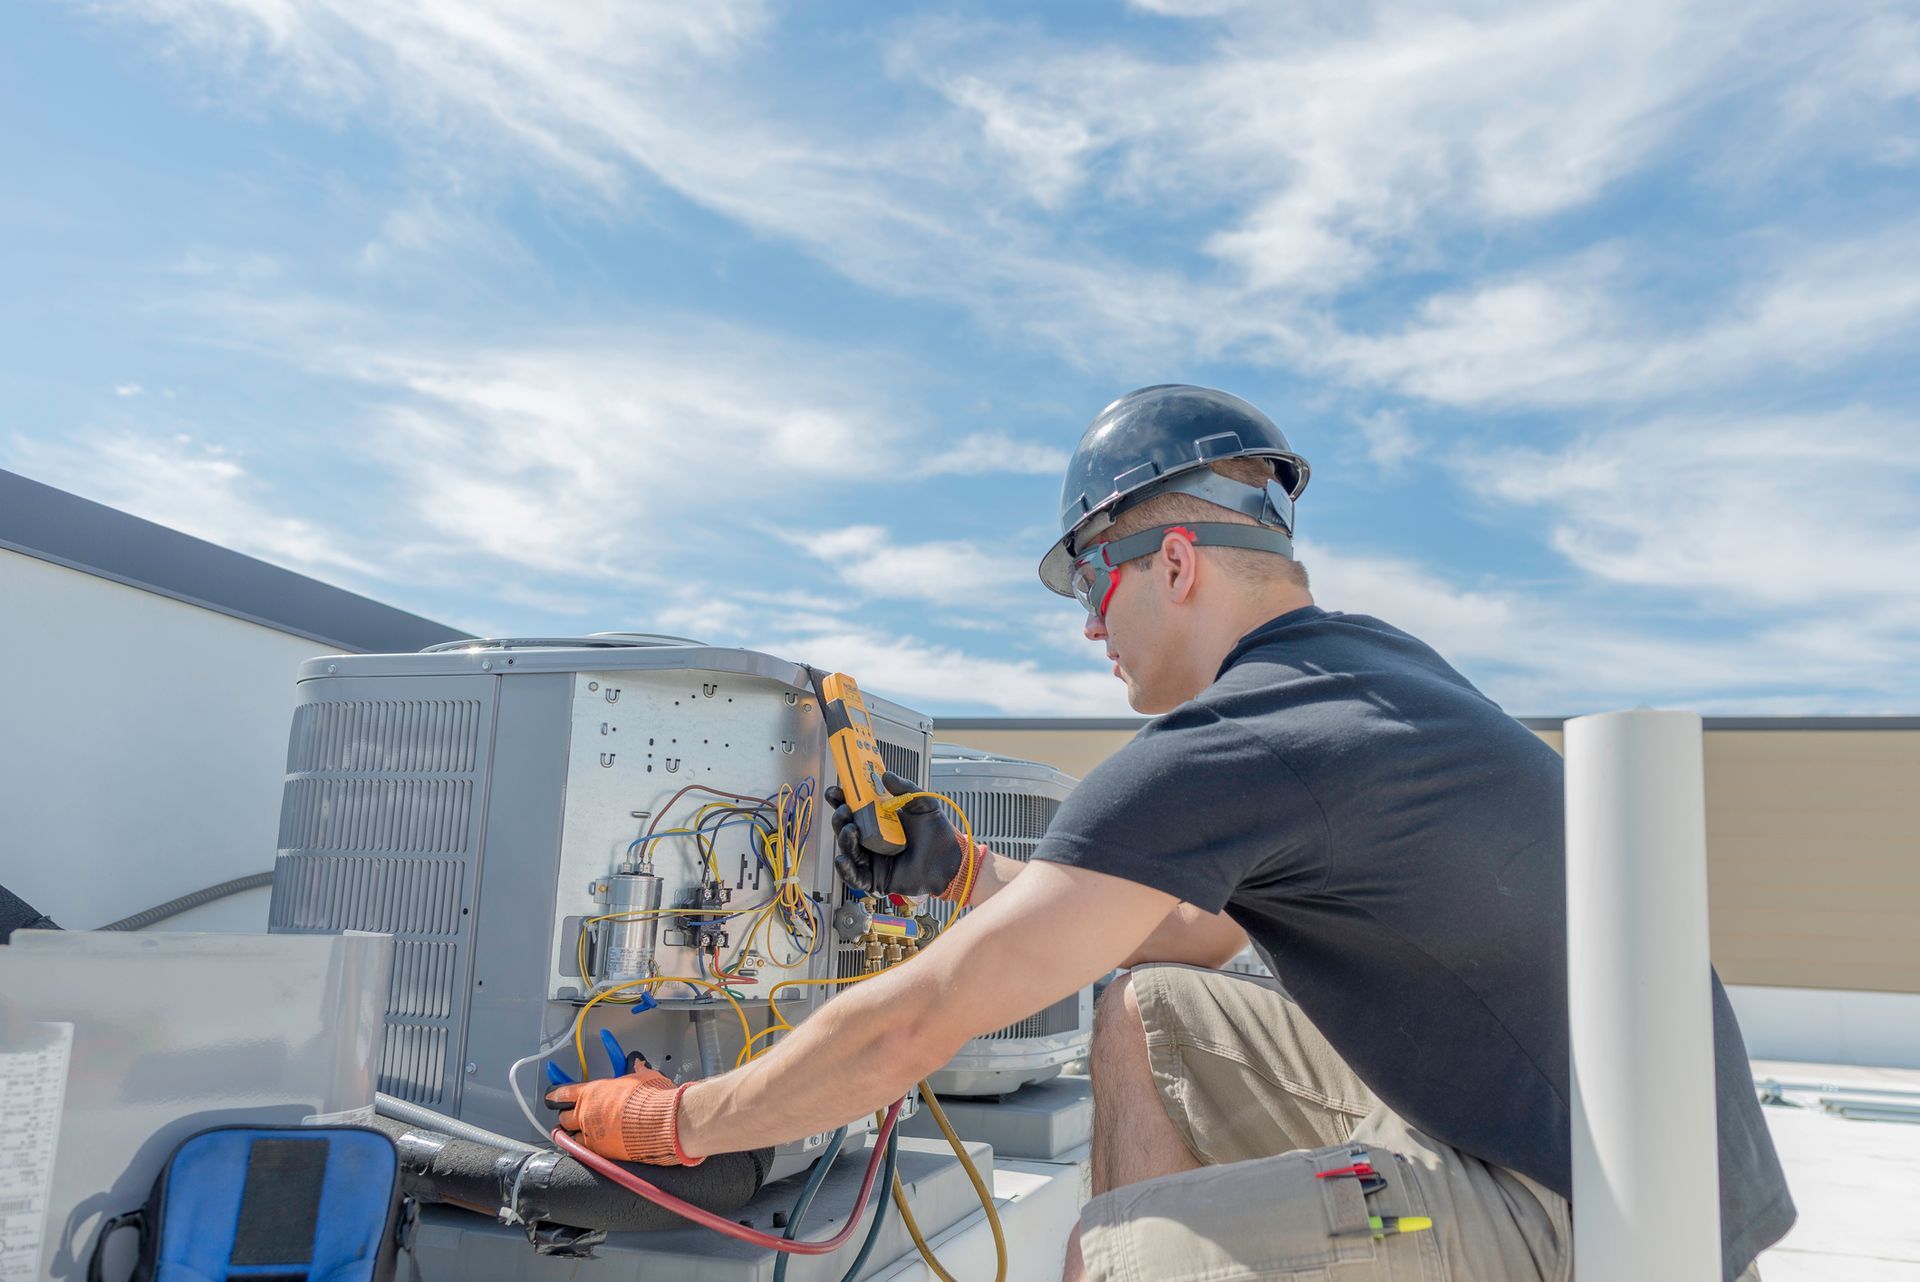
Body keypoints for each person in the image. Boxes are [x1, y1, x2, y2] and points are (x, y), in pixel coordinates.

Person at [549, 384, 1795, 1281]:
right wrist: (969, 871)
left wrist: (679, 1122)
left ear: (1177, 560)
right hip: (1650, 1169)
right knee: (1145, 1005)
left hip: (1595, 1230)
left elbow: (921, 1019)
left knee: (1115, 1252)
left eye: (1094, 580)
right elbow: (1182, 940)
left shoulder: (1234, 742)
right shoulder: (1366, 677)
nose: (1091, 627)